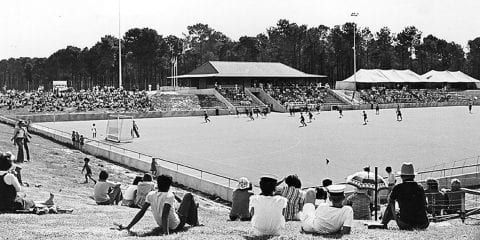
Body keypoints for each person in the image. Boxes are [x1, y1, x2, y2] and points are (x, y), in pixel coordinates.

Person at [118, 174, 199, 234]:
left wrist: (128, 227)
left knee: (178, 209)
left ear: (157, 184)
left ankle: (193, 215)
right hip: (176, 226)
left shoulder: (151, 194)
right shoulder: (169, 195)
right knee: (189, 195)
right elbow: (165, 214)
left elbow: (141, 212)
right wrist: (166, 234)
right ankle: (195, 222)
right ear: (169, 185)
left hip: (162, 224)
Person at [379, 162, 429, 230]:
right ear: (413, 176)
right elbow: (425, 203)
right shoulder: (420, 188)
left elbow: (390, 201)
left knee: (391, 203)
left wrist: (395, 214)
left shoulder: (398, 188)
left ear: (402, 176)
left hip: (406, 223)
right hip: (423, 223)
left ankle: (384, 223)